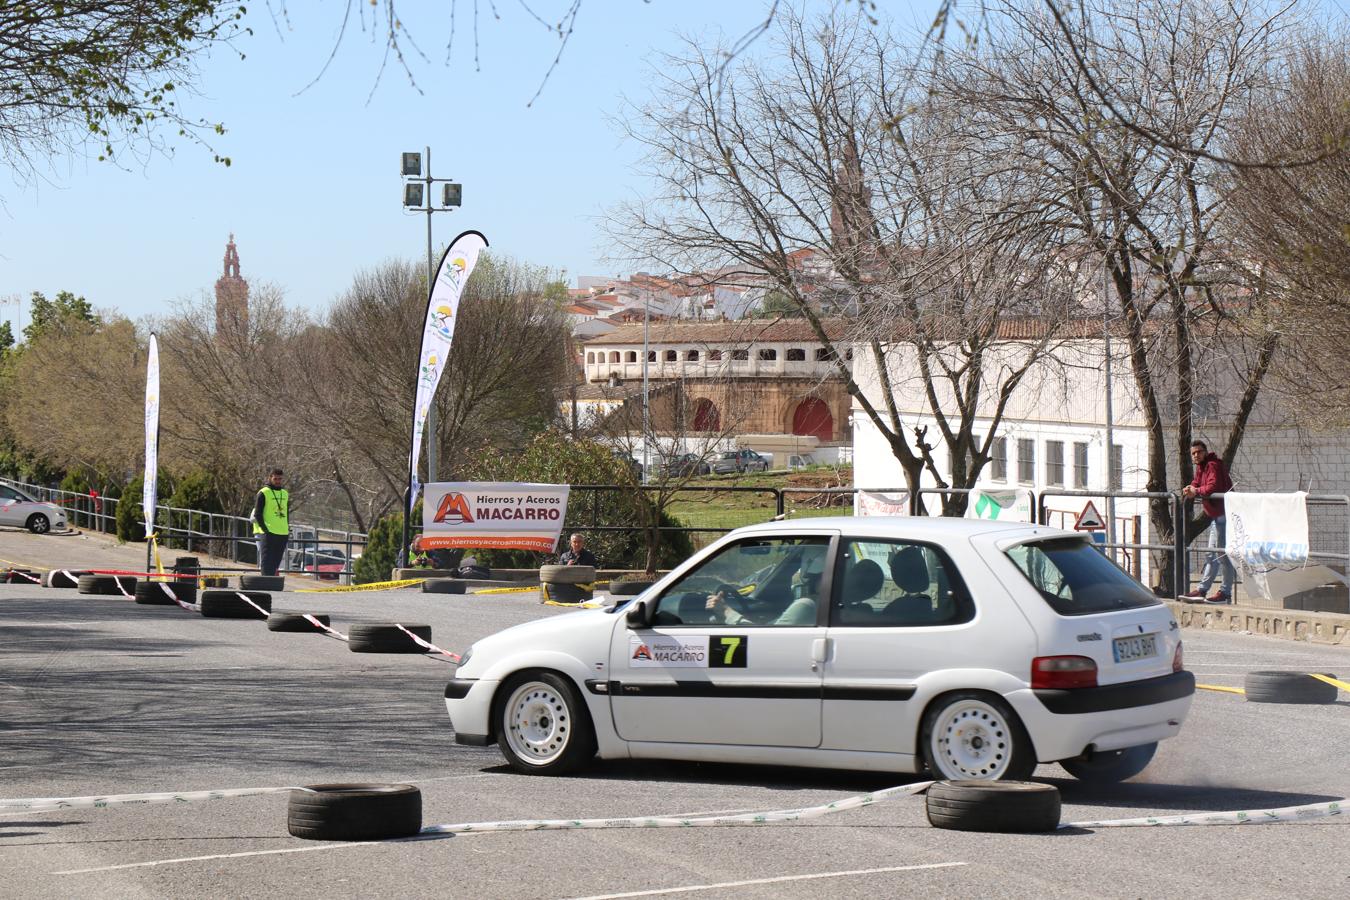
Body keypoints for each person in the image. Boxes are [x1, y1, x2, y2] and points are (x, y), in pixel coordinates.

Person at [1180, 441, 1235, 603]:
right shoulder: (1201, 468)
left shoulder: (1212, 465)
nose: (1196, 455)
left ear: (1205, 452)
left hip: (1223, 515)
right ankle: (1202, 590)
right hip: (1216, 515)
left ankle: (1225, 593)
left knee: (1222, 555)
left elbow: (1212, 488)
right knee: (1212, 554)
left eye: (1199, 452)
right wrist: (1189, 488)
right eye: (1193, 453)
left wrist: (1195, 491)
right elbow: (1197, 483)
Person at [251, 468, 290, 578]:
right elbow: (257, 514)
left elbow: (287, 514)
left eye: (280, 479)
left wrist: (287, 528)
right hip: (268, 532)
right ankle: (265, 582)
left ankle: (272, 581)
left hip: (282, 532)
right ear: (270, 478)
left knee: (276, 562)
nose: (278, 481)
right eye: (275, 478)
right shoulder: (263, 492)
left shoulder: (285, 493)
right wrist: (265, 530)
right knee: (266, 561)